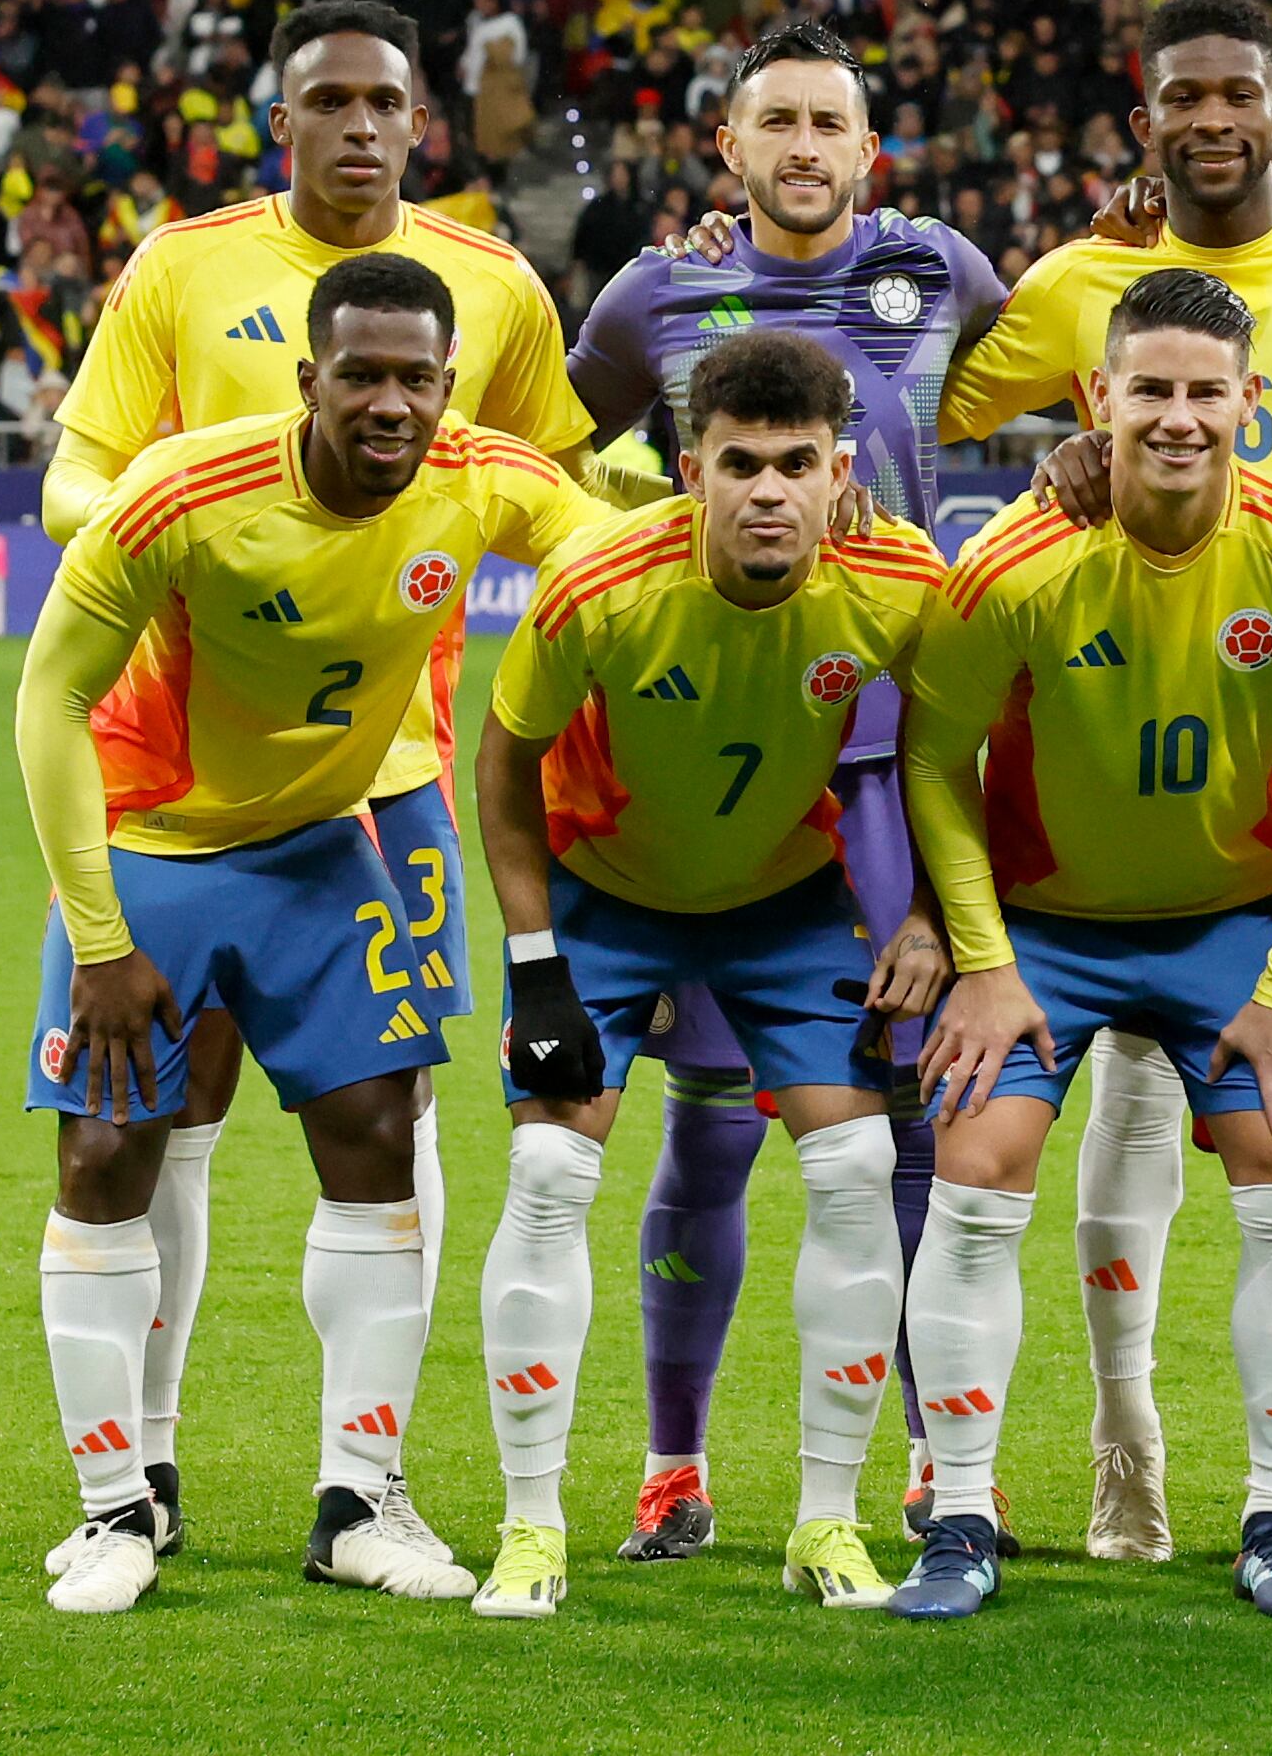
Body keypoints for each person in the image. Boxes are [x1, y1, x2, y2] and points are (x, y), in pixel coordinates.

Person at [38, 0, 603, 1564]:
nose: (357, 125)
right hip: (186, 748)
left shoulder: (488, 284)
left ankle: (366, 1481)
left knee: (387, 1108)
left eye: (384, 102)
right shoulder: (180, 263)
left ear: (424, 120)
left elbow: (558, 480)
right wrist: (181, 528)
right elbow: (80, 470)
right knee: (173, 1103)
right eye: (326, 101)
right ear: (278, 120)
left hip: (394, 767)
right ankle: (138, 1469)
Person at [934, 0, 1272, 1562]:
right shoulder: (1074, 292)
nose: (1211, 116)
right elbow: (927, 408)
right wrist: (1045, 455)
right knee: (1079, 1142)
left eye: (1238, 92)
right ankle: (1097, 1457)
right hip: (1080, 837)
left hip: (1269, 812)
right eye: (1181, 95)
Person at [890, 268, 1272, 1621]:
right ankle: (958, 1515)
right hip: (1045, 932)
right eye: (1150, 390)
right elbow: (932, 763)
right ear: (1099, 395)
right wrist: (984, 959)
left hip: (1224, 923)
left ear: (1249, 400)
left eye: (1203, 391)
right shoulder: (1010, 561)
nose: (1177, 417)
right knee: (975, 1163)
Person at [566, 19, 1007, 1563]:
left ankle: (916, 1468)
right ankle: (673, 1466)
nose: (805, 147)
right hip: (723, 762)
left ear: (866, 150)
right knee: (707, 1130)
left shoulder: (939, 272)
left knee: (901, 1123)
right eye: (778, 123)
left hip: (891, 763)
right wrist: (645, 501)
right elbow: (558, 459)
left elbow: (1073, 368)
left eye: (831, 122)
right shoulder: (655, 291)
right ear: (728, 149)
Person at [464, 330, 952, 1618]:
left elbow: (957, 754)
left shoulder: (900, 582)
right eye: (743, 465)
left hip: (785, 905)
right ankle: (530, 1529)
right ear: (693, 470)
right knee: (549, 1169)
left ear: (844, 471)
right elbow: (501, 771)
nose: (771, 493)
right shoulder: (598, 586)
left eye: (800, 464)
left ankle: (828, 1522)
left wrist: (937, 921)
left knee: (854, 1171)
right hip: (606, 900)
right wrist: (535, 969)